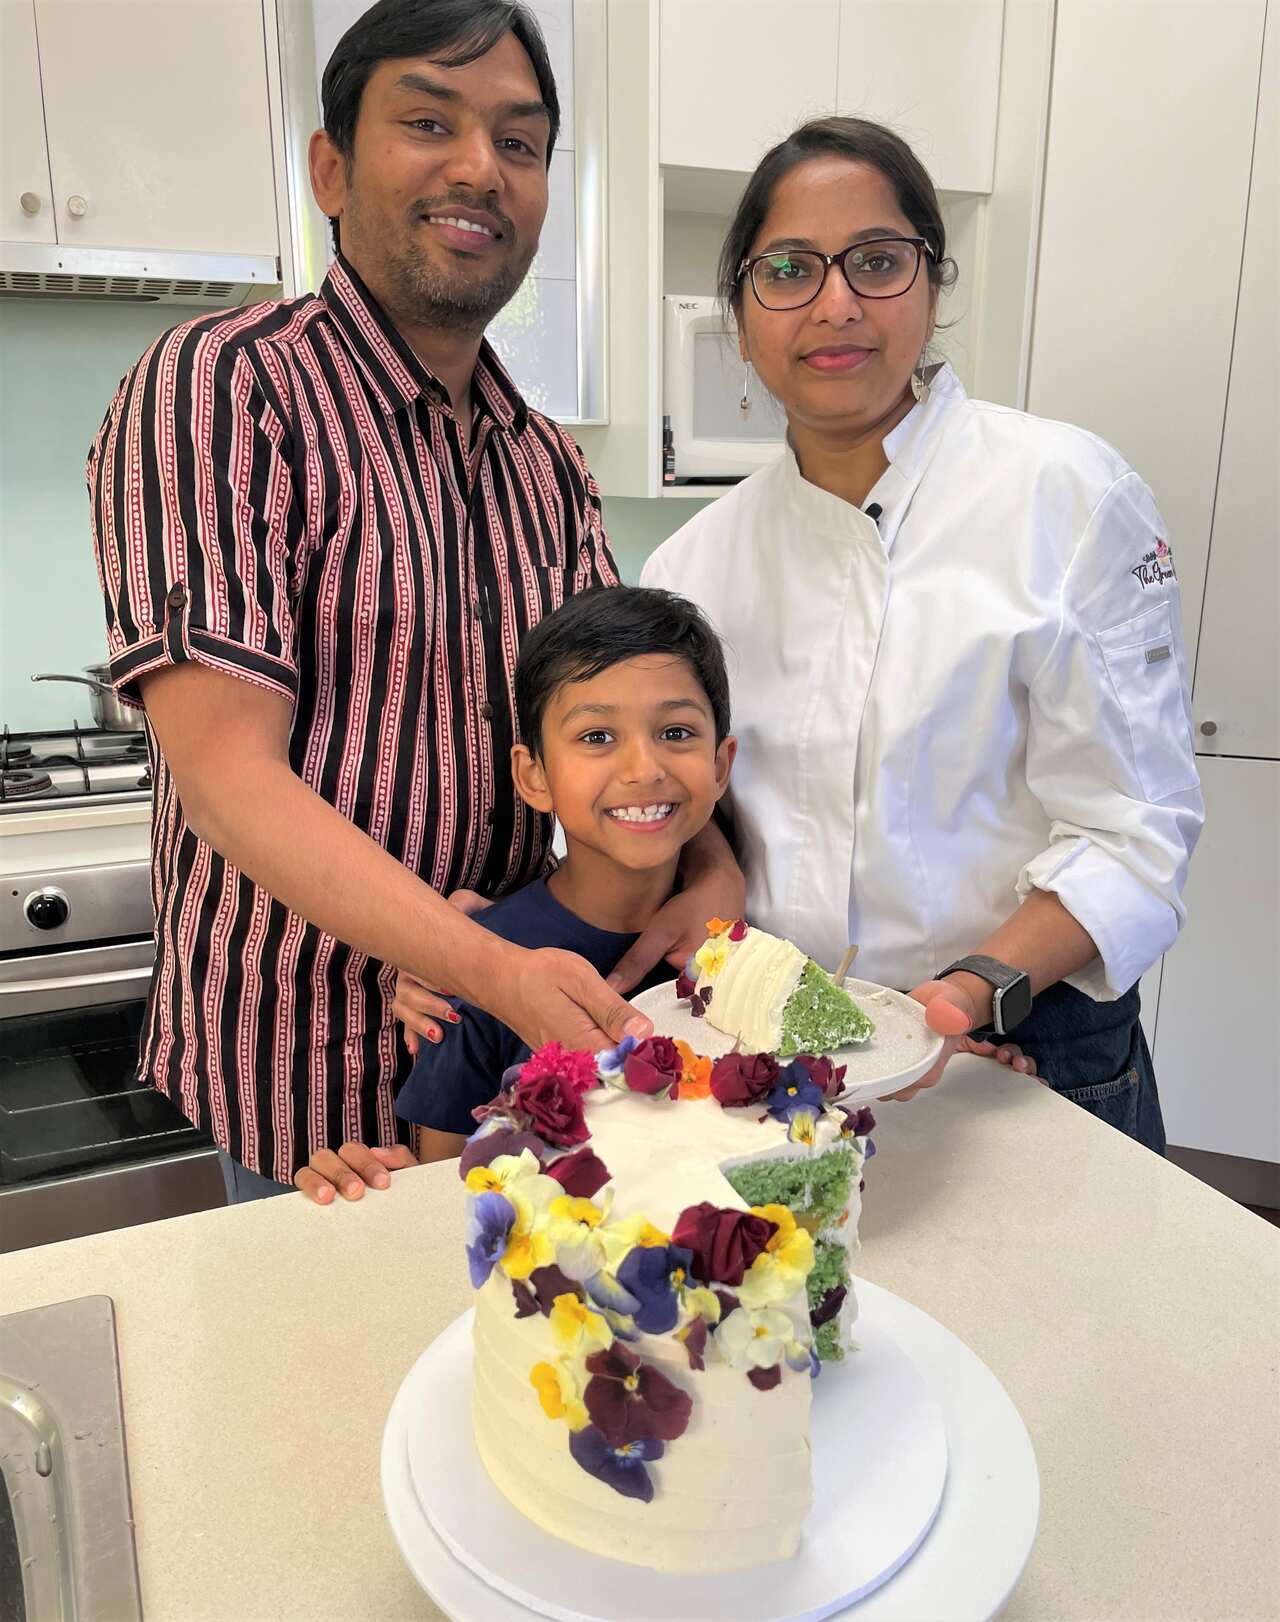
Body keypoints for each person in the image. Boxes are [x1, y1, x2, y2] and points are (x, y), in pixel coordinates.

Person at [84, 0, 733, 1201]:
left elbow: (613, 719)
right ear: (329, 167)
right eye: (427, 122)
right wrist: (488, 962)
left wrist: (715, 877)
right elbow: (230, 775)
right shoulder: (221, 390)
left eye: (521, 142)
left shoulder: (549, 463)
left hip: (505, 1064)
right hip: (303, 1075)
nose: (480, 168)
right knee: (331, 1375)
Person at [622, 117, 1203, 1151]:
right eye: (789, 268)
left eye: (877, 262)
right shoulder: (690, 570)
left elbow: (1134, 830)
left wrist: (959, 996)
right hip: (783, 1055)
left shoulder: (1065, 495)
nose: (835, 303)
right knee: (796, 1316)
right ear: (743, 313)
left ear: (930, 287)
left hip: (1028, 1047)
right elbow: (684, 803)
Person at [295, 584, 736, 1203]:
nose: (644, 768)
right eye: (596, 737)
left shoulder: (744, 957)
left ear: (722, 764)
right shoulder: (473, 975)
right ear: (533, 775)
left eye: (677, 731)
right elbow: (446, 1193)